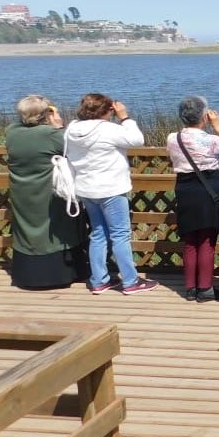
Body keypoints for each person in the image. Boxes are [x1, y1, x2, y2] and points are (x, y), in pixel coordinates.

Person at [65, 93, 158, 294]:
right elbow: (137, 139)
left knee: (98, 234)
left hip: (86, 189)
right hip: (111, 189)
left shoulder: (71, 130)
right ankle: (131, 281)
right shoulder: (109, 129)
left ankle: (99, 280)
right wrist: (125, 117)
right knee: (120, 235)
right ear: (108, 111)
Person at [5, 95, 87, 288]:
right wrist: (58, 126)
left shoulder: (12, 132)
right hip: (48, 191)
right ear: (45, 114)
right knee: (55, 227)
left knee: (27, 229)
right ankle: (60, 274)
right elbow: (73, 148)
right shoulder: (52, 135)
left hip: (21, 190)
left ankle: (27, 275)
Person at [166, 95, 219, 302]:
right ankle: (205, 288)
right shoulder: (211, 140)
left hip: (184, 188)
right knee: (206, 240)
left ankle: (190, 288)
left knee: (190, 240)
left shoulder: (173, 138)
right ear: (204, 116)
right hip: (208, 189)